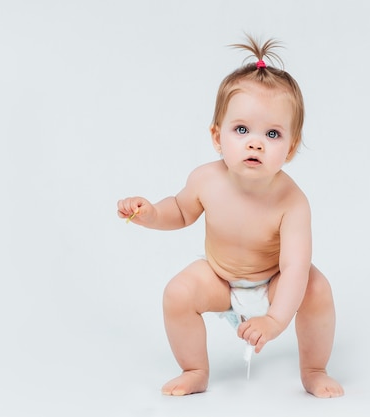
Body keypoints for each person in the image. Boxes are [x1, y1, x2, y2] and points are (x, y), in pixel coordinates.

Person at [117, 35, 344, 398]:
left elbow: (296, 267)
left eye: (272, 133)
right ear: (216, 136)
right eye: (242, 130)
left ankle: (314, 369)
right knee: (177, 293)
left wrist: (274, 319)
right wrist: (152, 213)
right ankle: (195, 369)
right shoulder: (206, 179)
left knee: (317, 290)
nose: (255, 143)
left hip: (274, 280)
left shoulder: (292, 201)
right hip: (220, 278)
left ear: (291, 147)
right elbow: (180, 210)